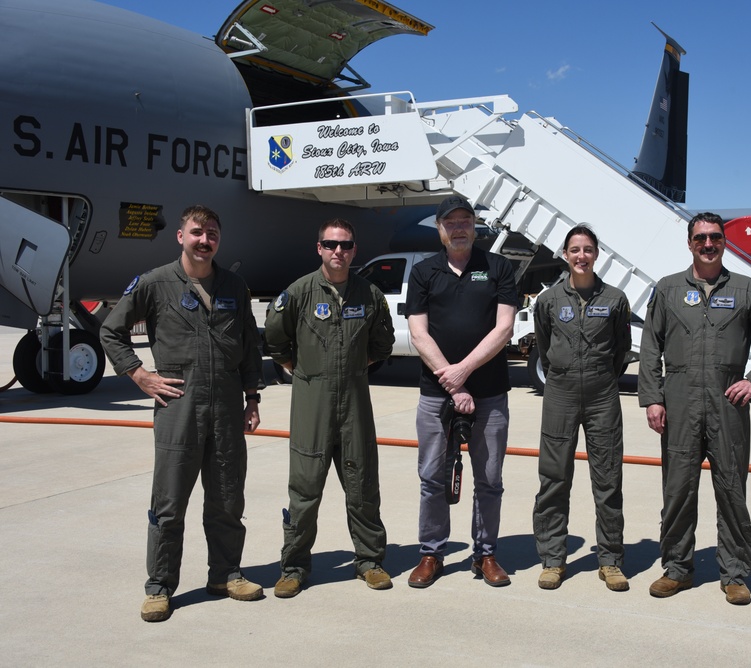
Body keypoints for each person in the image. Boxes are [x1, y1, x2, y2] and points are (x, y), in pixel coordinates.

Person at [100, 205, 264, 623]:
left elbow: (248, 344)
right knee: (170, 503)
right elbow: (110, 330)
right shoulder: (155, 283)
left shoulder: (233, 284)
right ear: (180, 236)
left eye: (212, 232)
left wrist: (252, 398)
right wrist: (139, 375)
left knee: (227, 499)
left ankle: (226, 574)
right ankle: (159, 587)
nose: (204, 239)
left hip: (227, 408)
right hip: (178, 407)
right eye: (197, 232)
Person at [637, 211, 751, 605]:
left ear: (724, 242)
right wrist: (653, 398)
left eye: (715, 238)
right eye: (700, 238)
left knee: (731, 490)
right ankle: (676, 569)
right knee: (678, 491)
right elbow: (650, 347)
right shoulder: (668, 290)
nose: (708, 244)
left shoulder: (746, 289)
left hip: (727, 406)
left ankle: (735, 573)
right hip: (680, 404)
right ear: (689, 243)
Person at [264, 218, 395, 597]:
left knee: (363, 485)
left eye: (346, 244)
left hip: (355, 401)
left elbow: (381, 344)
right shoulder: (300, 292)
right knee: (304, 490)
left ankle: (369, 562)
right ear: (318, 248)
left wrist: (353, 369)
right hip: (312, 402)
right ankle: (293, 566)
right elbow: (276, 338)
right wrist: (304, 371)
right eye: (331, 244)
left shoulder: (369, 295)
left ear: (355, 250)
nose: (339, 251)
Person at [404, 195, 518, 588]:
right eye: (449, 222)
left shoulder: (498, 267)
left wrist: (463, 373)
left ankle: (485, 555)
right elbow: (418, 333)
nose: (458, 228)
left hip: (488, 393)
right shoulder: (424, 272)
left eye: (464, 220)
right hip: (435, 394)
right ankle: (431, 553)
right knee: (432, 476)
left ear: (475, 225)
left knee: (489, 478)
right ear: (439, 228)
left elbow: (503, 329)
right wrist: (450, 382)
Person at [531, 225, 632, 591]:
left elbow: (622, 349)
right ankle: (553, 559)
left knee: (607, 478)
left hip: (603, 394)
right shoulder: (549, 301)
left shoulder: (616, 299)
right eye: (574, 249)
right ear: (565, 253)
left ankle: (610, 559)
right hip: (560, 393)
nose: (581, 256)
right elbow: (544, 343)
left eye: (588, 249)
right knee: (554, 477)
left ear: (596, 254)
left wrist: (599, 374)